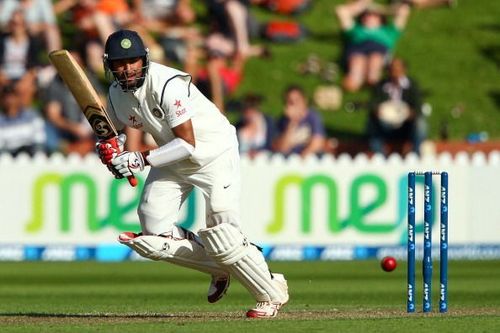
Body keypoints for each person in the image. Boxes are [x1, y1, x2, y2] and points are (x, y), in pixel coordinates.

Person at [95, 29, 288, 318]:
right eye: (120, 63)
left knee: (223, 234)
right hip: (171, 157)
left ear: (144, 59)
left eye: (133, 60)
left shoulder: (167, 84)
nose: (128, 68)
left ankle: (271, 294)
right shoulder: (115, 95)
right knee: (153, 231)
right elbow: (127, 131)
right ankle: (219, 266)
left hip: (213, 153)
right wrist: (115, 152)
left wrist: (140, 159)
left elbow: (187, 143)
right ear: (110, 66)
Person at [335, 0, 411, 92]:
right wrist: (365, 3)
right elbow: (341, 11)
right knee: (356, 66)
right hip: (357, 50)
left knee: (374, 63)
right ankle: (351, 86)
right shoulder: (356, 30)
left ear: (380, 19)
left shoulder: (389, 32)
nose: (368, 17)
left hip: (378, 51)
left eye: (373, 15)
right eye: (365, 14)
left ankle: (376, 86)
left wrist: (384, 10)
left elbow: (404, 11)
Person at [365, 57, 427, 156]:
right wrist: (378, 111)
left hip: (406, 125)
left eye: (397, 69)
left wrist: (409, 113)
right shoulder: (381, 86)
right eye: (392, 69)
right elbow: (373, 105)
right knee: (371, 124)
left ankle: (415, 153)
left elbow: (418, 107)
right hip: (385, 125)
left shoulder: (412, 85)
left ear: (404, 70)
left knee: (421, 123)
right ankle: (380, 155)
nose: (395, 72)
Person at [272, 84, 326, 157]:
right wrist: (292, 123)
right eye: (290, 102)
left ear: (304, 100)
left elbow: (317, 143)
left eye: (297, 100)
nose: (294, 104)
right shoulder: (283, 120)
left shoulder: (312, 116)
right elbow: (282, 148)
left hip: (308, 158)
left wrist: (301, 159)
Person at [0, 84, 46, 156]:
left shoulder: (32, 116)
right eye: (6, 97)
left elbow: (39, 139)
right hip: (9, 157)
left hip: (31, 154)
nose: (9, 101)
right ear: (1, 101)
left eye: (13, 97)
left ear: (18, 98)